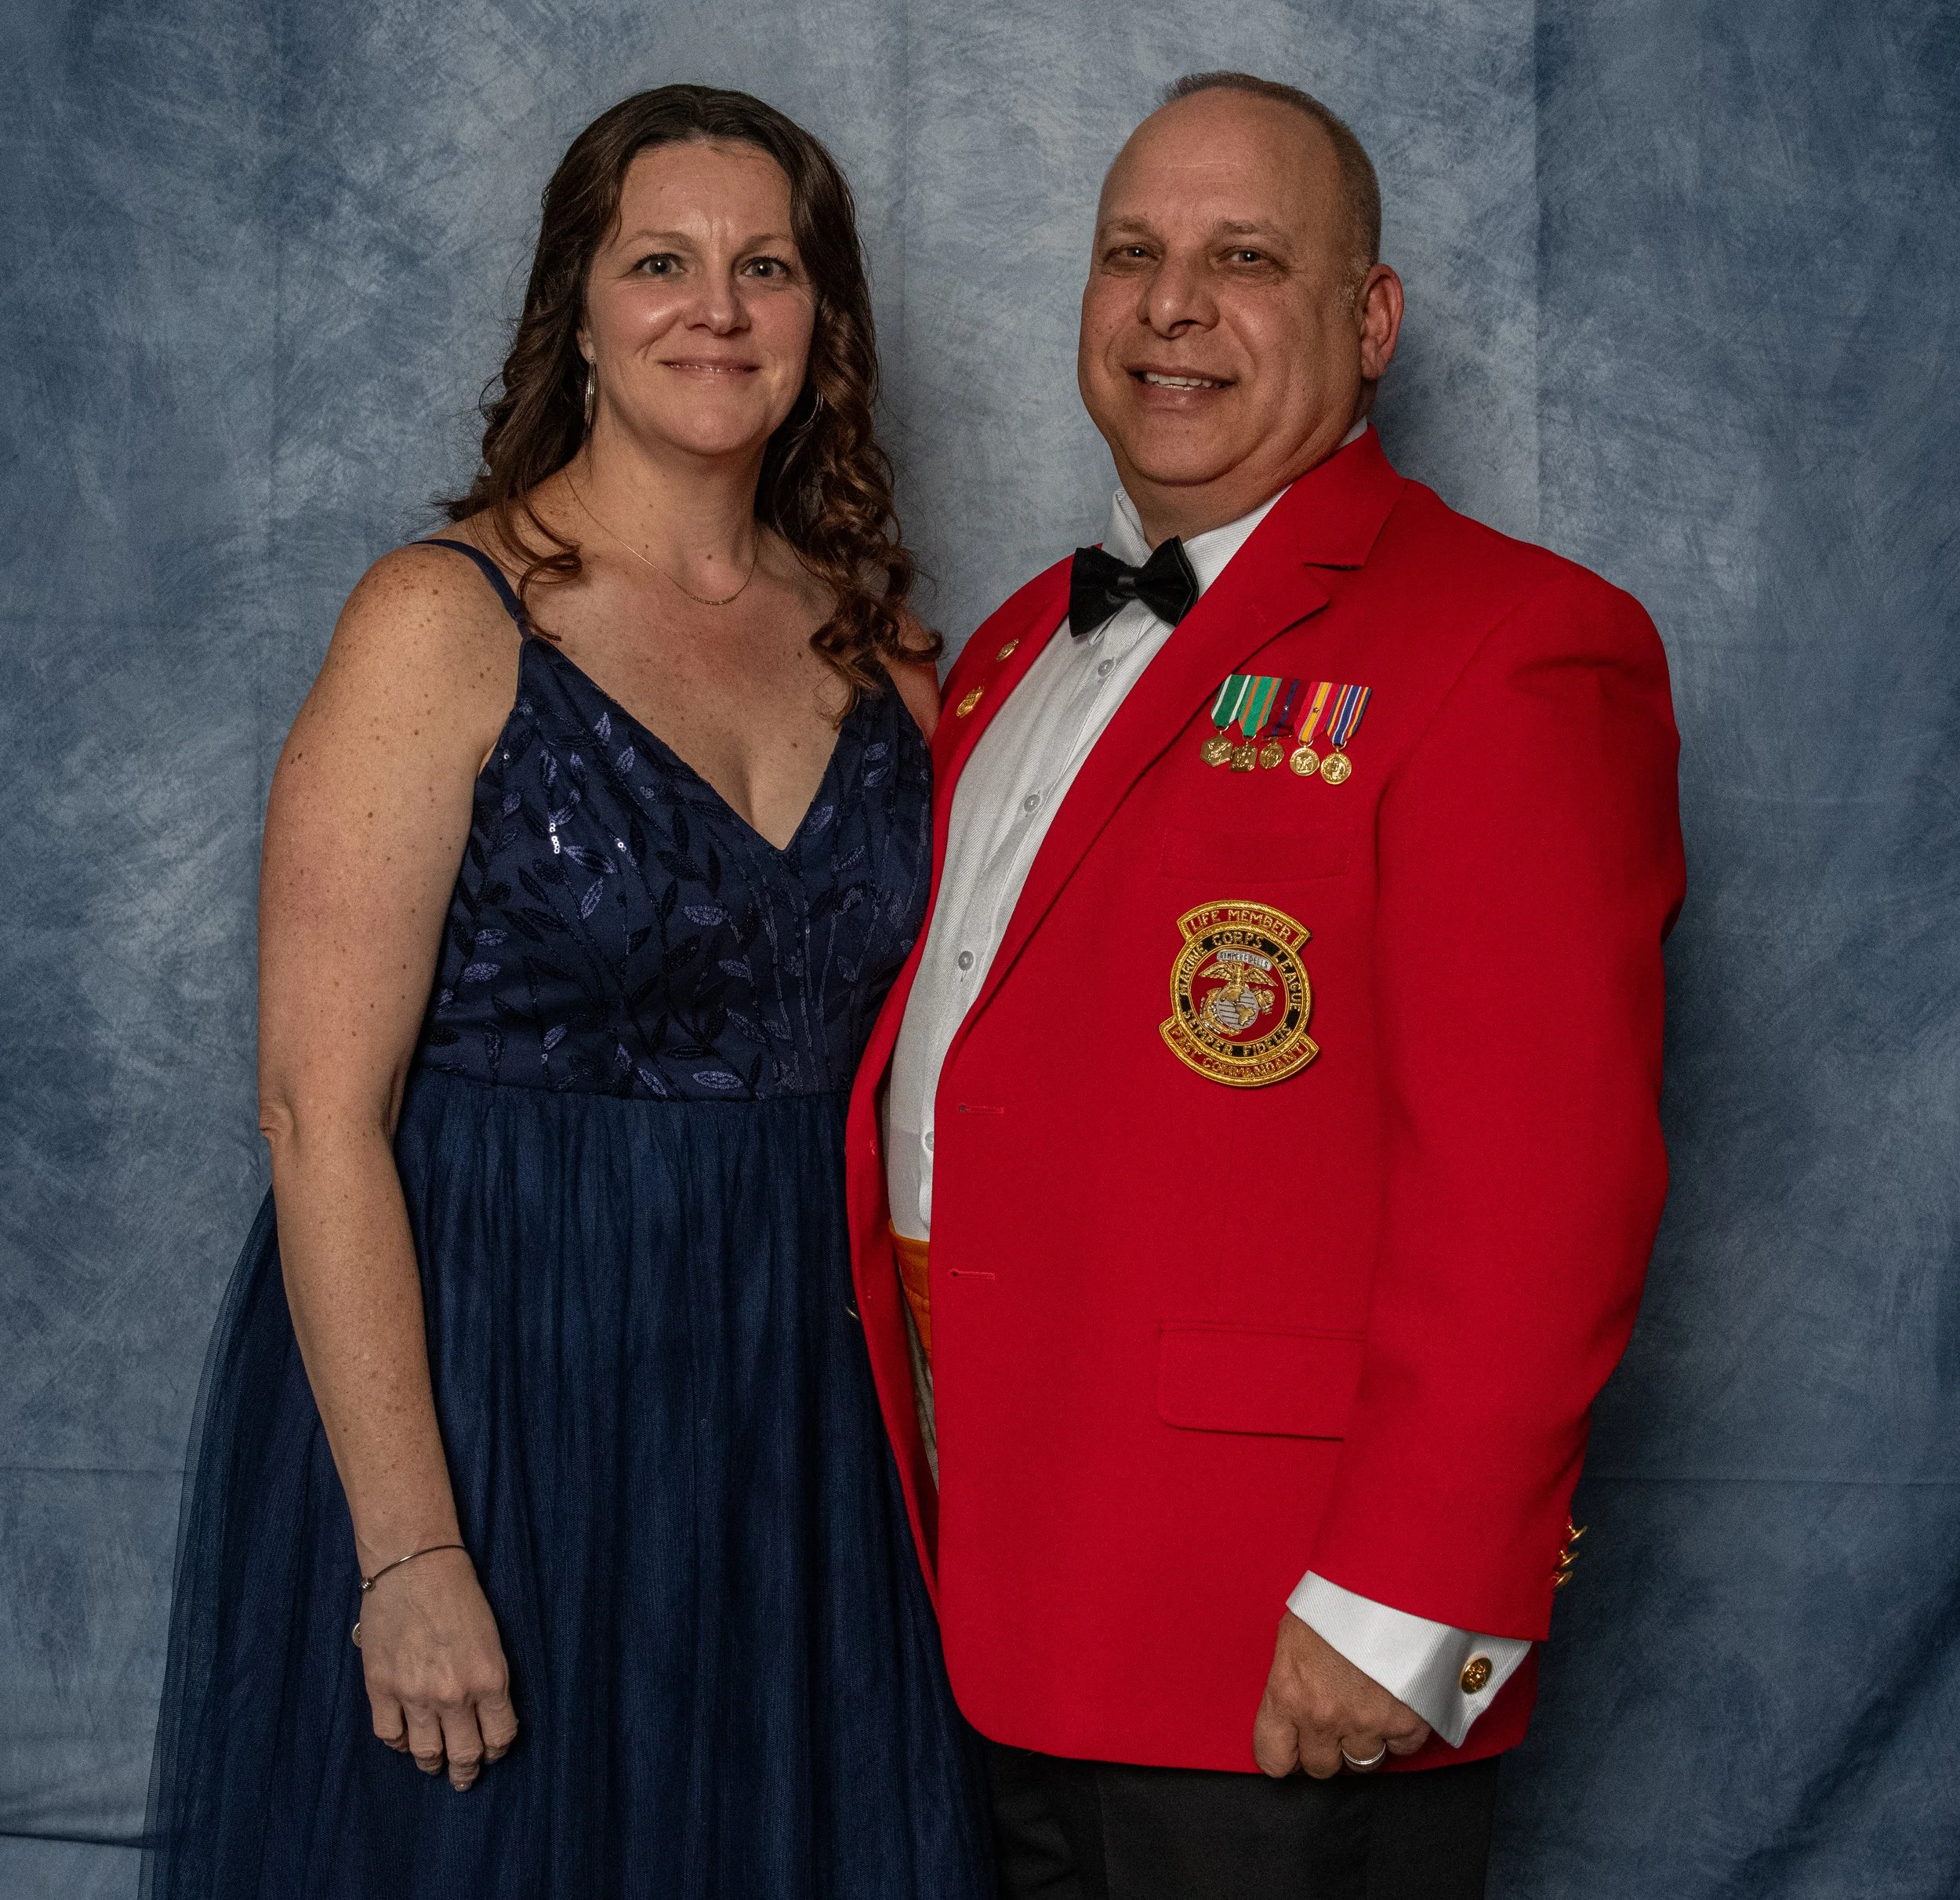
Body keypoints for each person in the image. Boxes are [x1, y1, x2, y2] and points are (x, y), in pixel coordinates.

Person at [845, 71, 1685, 1899]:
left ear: (1365, 320)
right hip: (1000, 1596)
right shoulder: (1008, 650)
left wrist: (1408, 1608)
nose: (1169, 305)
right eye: (1130, 254)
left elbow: (1547, 1188)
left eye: (1243, 260)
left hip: (1284, 1639)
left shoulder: (1511, 642)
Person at [146, 85, 990, 1899]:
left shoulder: (890, 653)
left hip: (796, 1426)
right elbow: (319, 1113)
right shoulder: (440, 621)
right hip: (497, 1399)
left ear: (820, 320)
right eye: (661, 263)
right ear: (580, 315)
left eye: (765, 267)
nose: (717, 308)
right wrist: (407, 1549)